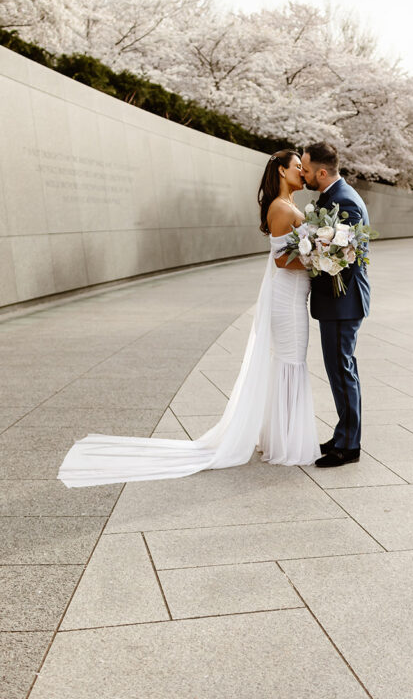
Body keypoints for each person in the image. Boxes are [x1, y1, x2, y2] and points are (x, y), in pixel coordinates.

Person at [57, 149, 319, 487]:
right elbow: (284, 261)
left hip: (293, 294)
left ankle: (281, 437)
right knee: (291, 361)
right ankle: (287, 444)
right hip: (286, 296)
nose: (303, 172)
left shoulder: (290, 206)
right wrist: (319, 261)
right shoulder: (282, 209)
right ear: (282, 172)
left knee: (289, 362)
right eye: (297, 167)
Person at [300, 142, 370, 468]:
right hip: (337, 301)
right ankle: (343, 433)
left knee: (342, 371)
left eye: (306, 169)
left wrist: (313, 254)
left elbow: (345, 256)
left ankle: (349, 445)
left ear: (322, 172)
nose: (303, 174)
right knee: (339, 370)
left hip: (343, 300)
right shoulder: (334, 197)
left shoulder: (345, 201)